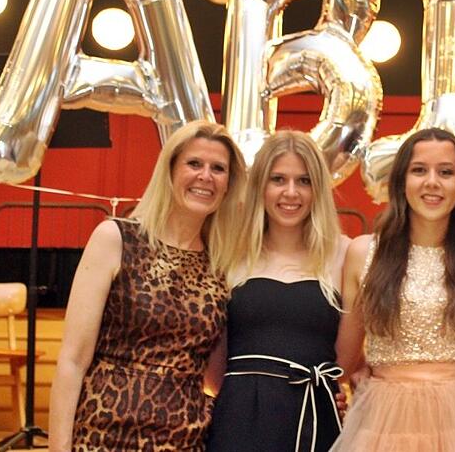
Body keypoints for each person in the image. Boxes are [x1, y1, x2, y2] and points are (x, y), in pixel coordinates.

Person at [48, 120, 246, 452]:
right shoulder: (116, 238)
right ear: (169, 171)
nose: (206, 176)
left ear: (229, 184)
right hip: (104, 434)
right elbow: (72, 361)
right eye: (194, 163)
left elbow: (217, 374)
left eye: (218, 168)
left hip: (184, 439)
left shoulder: (222, 265)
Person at [332, 128, 455, 452]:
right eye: (419, 170)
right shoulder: (364, 253)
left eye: (446, 172)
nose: (432, 182)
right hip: (385, 421)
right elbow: (344, 358)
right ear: (401, 181)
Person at [206, 130, 350, 452]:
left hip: (315, 418)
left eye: (304, 181)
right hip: (240, 419)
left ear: (318, 189)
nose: (291, 192)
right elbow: (214, 366)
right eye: (278, 179)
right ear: (260, 185)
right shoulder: (228, 254)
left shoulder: (343, 254)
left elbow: (350, 359)